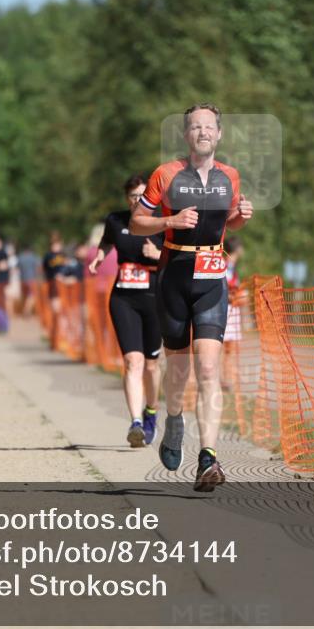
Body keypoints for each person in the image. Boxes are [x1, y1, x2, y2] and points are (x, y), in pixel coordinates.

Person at [130, 103, 253, 492]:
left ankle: (208, 458)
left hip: (212, 279)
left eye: (209, 127)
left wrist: (241, 218)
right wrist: (170, 220)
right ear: (186, 135)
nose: (203, 132)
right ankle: (174, 419)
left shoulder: (229, 176)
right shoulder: (165, 175)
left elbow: (228, 221)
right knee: (179, 372)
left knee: (208, 371)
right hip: (174, 276)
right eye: (195, 127)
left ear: (219, 135)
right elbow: (136, 222)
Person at [89, 175, 164, 448]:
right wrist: (100, 256)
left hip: (155, 299)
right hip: (123, 298)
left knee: (152, 364)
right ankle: (135, 423)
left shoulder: (162, 223)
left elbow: (178, 258)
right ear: (126, 199)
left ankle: (152, 412)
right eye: (133, 196)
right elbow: (107, 241)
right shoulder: (116, 221)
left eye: (142, 196)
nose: (137, 201)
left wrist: (157, 255)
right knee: (133, 361)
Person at [222, 235, 245, 390]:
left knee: (230, 348)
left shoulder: (233, 266)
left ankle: (227, 379)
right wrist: (233, 296)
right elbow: (222, 287)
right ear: (236, 249)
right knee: (223, 347)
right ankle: (223, 379)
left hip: (233, 310)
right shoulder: (225, 265)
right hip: (226, 309)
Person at [43, 232, 67, 349]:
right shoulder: (48, 256)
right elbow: (45, 270)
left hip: (64, 286)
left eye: (57, 244)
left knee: (63, 314)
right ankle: (55, 340)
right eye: (54, 244)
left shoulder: (63, 255)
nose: (56, 246)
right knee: (56, 312)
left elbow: (67, 268)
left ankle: (62, 339)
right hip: (53, 285)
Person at [18, 245, 40, 317]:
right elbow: (38, 268)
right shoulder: (34, 257)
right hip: (31, 280)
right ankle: (26, 310)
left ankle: (26, 311)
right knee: (32, 296)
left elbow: (18, 269)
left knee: (25, 296)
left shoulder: (20, 257)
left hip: (22, 280)